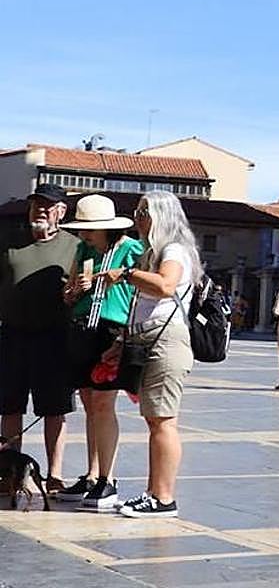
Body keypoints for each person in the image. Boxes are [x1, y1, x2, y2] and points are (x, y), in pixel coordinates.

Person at [98, 190, 199, 518]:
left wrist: (126, 274)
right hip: (148, 339)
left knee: (163, 421)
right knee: (155, 419)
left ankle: (163, 497)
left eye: (145, 212)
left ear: (162, 216)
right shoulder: (154, 252)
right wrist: (122, 342)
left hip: (166, 342)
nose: (138, 218)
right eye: (138, 211)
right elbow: (143, 307)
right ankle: (153, 492)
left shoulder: (174, 251)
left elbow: (166, 286)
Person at [59, 195, 143, 510]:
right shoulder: (83, 251)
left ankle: (108, 479)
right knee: (90, 404)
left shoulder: (131, 250)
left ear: (106, 228)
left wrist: (125, 337)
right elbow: (68, 293)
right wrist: (73, 291)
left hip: (111, 329)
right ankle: (93, 474)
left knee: (104, 403)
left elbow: (140, 295)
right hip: (83, 327)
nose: (84, 235)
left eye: (89, 230)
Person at [0, 183, 79, 498]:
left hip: (54, 338)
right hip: (11, 335)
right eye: (36, 205)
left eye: (47, 206)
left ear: (61, 212)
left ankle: (55, 475)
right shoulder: (10, 243)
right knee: (9, 406)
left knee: (54, 409)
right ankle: (9, 473)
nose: (40, 211)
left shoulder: (74, 246)